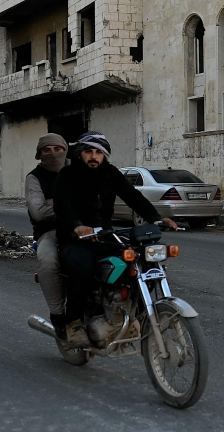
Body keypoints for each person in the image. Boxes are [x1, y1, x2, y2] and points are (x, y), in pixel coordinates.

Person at [53, 132, 178, 346]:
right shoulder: (68, 174)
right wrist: (77, 227)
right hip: (74, 240)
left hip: (105, 237)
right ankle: (73, 322)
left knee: (140, 260)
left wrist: (157, 218)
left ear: (105, 155)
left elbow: (133, 196)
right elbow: (61, 206)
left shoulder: (111, 174)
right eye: (89, 152)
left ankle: (132, 313)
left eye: (98, 152)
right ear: (80, 154)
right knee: (82, 265)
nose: (94, 156)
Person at [24, 133, 68, 338]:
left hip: (86, 229)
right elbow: (39, 213)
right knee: (48, 262)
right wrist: (74, 206)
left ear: (65, 149)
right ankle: (58, 315)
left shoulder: (79, 170)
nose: (53, 154)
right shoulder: (34, 178)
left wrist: (54, 203)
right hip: (51, 232)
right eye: (47, 150)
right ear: (39, 155)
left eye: (57, 149)